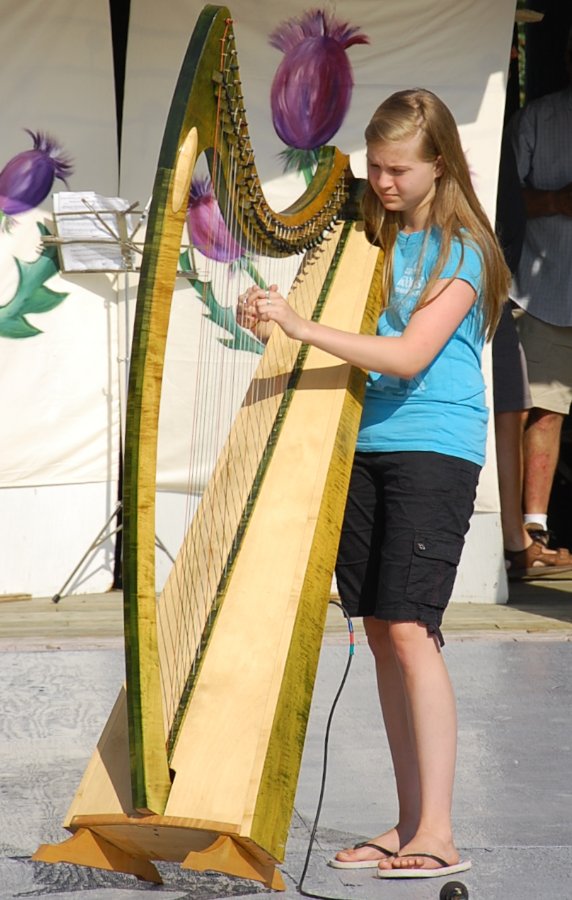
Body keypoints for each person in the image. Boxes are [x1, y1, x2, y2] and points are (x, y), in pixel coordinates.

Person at [241, 88, 509, 878]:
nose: (382, 183)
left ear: (439, 165)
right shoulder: (371, 241)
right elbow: (349, 330)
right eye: (375, 168)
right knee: (382, 637)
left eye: (398, 170)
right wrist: (274, 315)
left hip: (433, 449)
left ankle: (441, 833)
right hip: (364, 446)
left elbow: (407, 357)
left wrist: (302, 325)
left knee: (411, 631)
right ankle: (405, 822)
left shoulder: (463, 251)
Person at [506, 27, 572, 555]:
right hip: (544, 290)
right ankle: (530, 530)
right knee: (538, 407)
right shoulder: (538, 118)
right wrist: (556, 201)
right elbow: (500, 202)